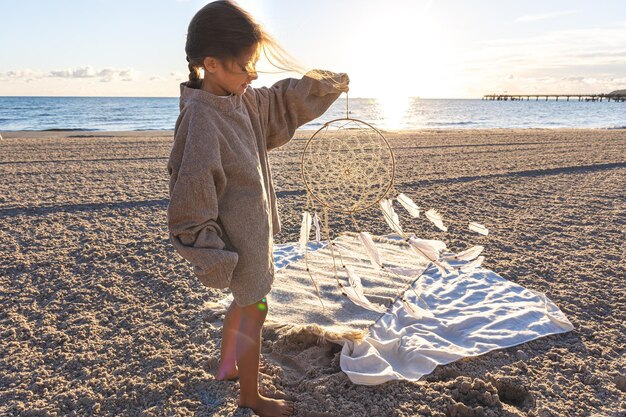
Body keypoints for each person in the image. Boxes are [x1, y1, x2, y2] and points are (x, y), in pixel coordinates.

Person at [166, 1, 348, 416]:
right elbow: (189, 201)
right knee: (256, 308)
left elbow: (279, 102)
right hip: (238, 244)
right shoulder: (200, 120)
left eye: (254, 66)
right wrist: (215, 258)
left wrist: (325, 84)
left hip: (253, 230)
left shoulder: (239, 98)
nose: (252, 75)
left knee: (245, 303)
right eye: (244, 66)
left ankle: (228, 367)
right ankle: (251, 396)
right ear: (210, 63)